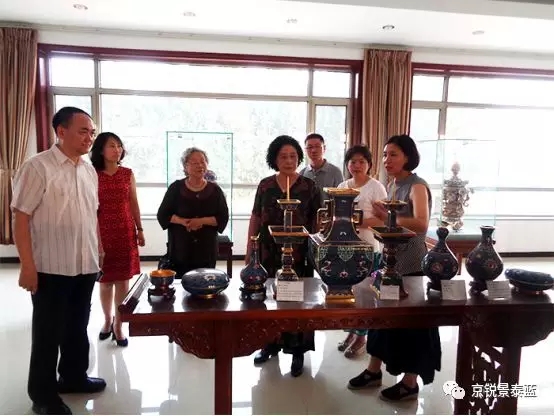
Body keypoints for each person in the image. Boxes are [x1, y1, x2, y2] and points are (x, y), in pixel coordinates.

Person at [11, 107, 107, 415]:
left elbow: (91, 215)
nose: (89, 138)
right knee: (47, 333)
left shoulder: (88, 170)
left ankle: (74, 377)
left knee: (77, 326)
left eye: (92, 132)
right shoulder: (38, 167)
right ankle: (42, 395)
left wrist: (98, 249)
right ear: (61, 131)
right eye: (83, 131)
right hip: (50, 267)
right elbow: (21, 217)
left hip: (84, 263)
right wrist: (27, 266)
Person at [347, 135, 441, 401]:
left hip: (411, 263)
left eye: (394, 154)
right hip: (390, 261)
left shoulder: (417, 185)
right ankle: (373, 370)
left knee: (413, 324)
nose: (387, 160)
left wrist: (390, 216)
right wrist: (373, 218)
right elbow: (392, 223)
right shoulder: (393, 185)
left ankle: (410, 383)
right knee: (382, 318)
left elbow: (421, 224)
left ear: (408, 157)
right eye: (385, 155)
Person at [246, 135, 321, 377]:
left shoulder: (309, 187)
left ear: (299, 158)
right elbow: (256, 217)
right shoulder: (265, 185)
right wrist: (250, 249)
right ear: (274, 160)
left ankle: (298, 350)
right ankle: (268, 343)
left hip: (299, 253)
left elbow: (317, 222)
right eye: (283, 156)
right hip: (268, 251)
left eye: (293, 156)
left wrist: (316, 251)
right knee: (268, 298)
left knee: (299, 301)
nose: (289, 161)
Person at [90, 132, 145, 347]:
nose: (117, 150)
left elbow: (134, 203)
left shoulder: (127, 174)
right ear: (101, 150)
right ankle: (107, 320)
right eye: (112, 146)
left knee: (123, 281)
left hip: (124, 232)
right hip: (101, 233)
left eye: (119, 146)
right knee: (105, 282)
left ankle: (119, 325)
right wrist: (94, 239)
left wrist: (140, 229)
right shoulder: (92, 174)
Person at [336, 145, 387, 359]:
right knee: (349, 291)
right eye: (352, 161)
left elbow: (383, 220)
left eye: (361, 162)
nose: (356, 165)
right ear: (347, 164)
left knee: (365, 292)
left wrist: (356, 222)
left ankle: (362, 336)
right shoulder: (342, 186)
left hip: (368, 246)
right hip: (345, 247)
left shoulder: (376, 187)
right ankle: (351, 331)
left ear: (369, 165)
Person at [157, 147, 229, 277]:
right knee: (180, 283)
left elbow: (223, 217)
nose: (200, 165)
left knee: (205, 281)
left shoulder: (215, 190)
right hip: (180, 248)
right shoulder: (176, 188)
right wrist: (183, 222)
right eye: (195, 162)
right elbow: (163, 215)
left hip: (206, 249)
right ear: (185, 166)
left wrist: (201, 221)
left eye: (203, 161)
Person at [299, 133, 343, 204]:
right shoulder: (302, 174)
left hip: (329, 211)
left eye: (317, 146)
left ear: (324, 148)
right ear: (305, 150)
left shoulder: (335, 172)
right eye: (310, 147)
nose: (313, 150)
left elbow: (341, 199)